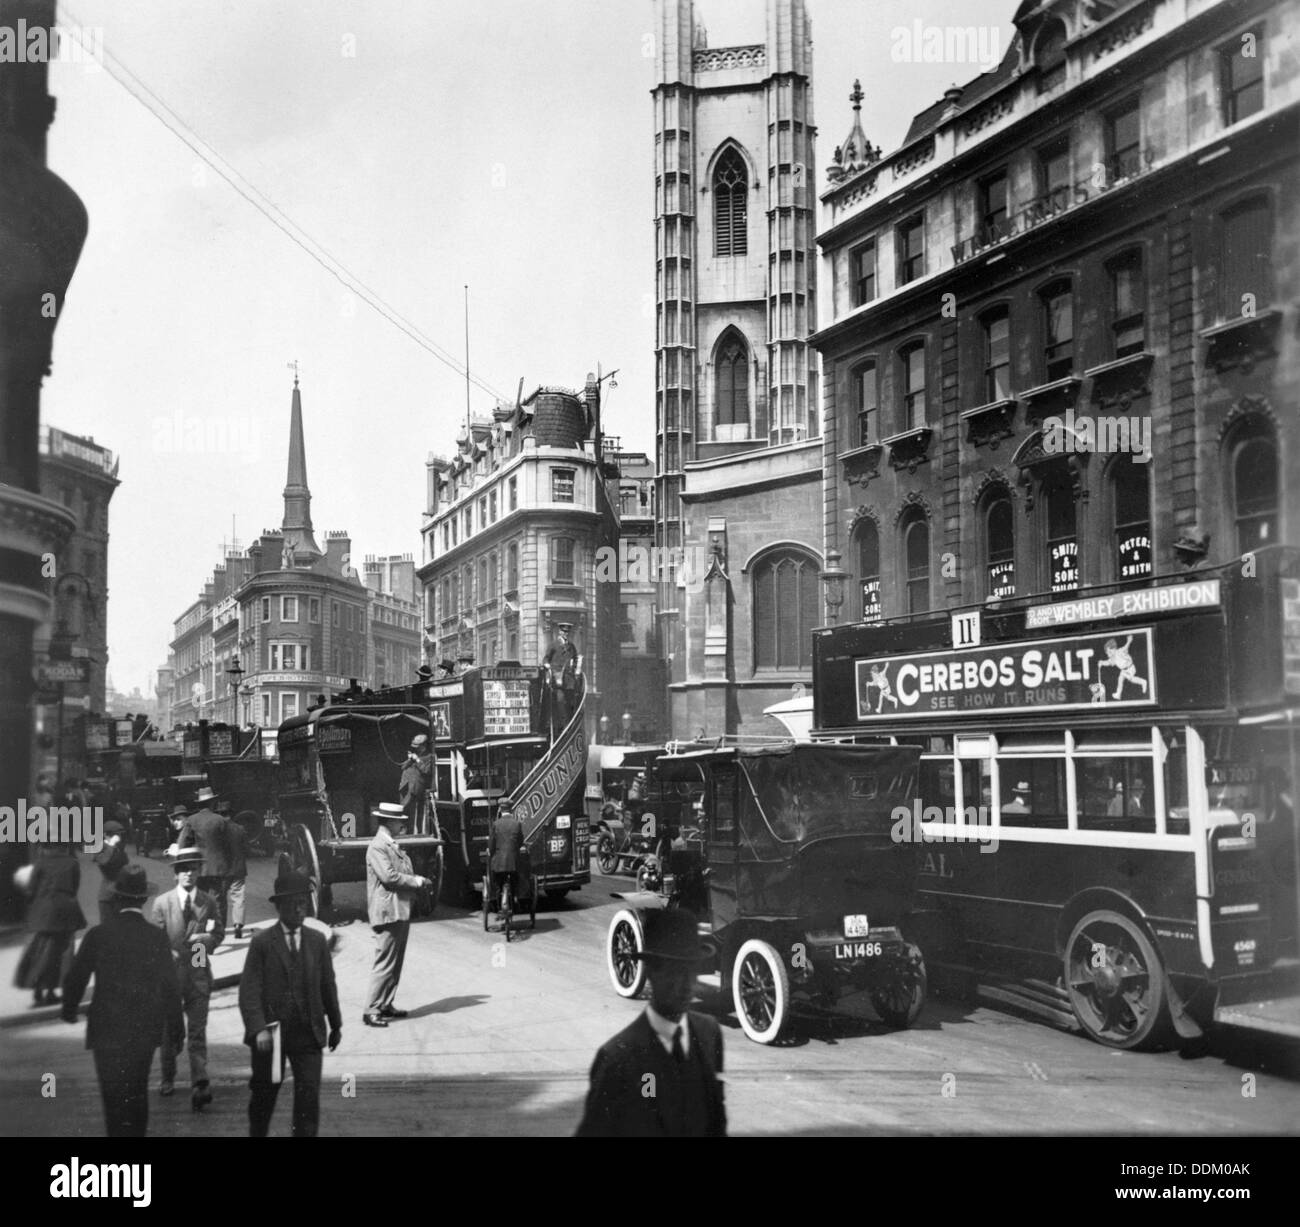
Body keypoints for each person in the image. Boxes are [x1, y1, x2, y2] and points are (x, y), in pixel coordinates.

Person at [576, 908, 725, 1137]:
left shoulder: (708, 1033)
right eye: (674, 972)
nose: (685, 985)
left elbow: (715, 1121)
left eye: (690, 971)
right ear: (652, 972)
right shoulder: (618, 1058)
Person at [61, 865, 184, 1138]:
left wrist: (69, 1009)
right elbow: (170, 987)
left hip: (105, 1030)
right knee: (137, 1092)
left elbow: (76, 977)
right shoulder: (156, 937)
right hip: (143, 1031)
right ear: (143, 899)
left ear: (117, 899)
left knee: (112, 1096)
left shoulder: (98, 935)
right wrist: (176, 1030)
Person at [239, 870, 342, 1138]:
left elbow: (327, 985)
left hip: (308, 1034)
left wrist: (336, 1024)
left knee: (308, 1099)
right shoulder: (262, 943)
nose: (299, 909)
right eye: (293, 904)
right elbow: (249, 990)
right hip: (272, 1037)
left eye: (303, 903)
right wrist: (258, 1028)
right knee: (265, 1095)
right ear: (279, 907)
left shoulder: (316, 941)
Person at [150, 847, 223, 1109]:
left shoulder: (209, 901)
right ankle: (167, 1076)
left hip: (198, 971)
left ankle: (200, 1081)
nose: (188, 874)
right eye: (183, 869)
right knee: (169, 1032)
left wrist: (207, 940)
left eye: (193, 868)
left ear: (200, 871)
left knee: (197, 1032)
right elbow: (154, 941)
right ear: (175, 874)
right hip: (169, 978)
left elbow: (218, 933)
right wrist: (167, 953)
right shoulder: (162, 903)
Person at [363, 802, 433, 1027]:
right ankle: (371, 1009)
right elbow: (389, 877)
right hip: (387, 911)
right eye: (398, 821)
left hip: (399, 910)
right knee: (385, 962)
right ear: (388, 822)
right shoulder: (378, 846)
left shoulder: (391, 844)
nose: (401, 824)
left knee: (396, 962)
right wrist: (417, 881)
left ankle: (386, 1004)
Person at [14, 842, 87, 1008]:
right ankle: (51, 991)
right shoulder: (72, 862)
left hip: (43, 911)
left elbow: (31, 888)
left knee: (40, 949)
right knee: (62, 952)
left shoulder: (41, 862)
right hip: (66, 910)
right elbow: (75, 887)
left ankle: (38, 987)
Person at [178, 786, 233, 925]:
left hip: (199, 867)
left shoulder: (191, 820)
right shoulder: (220, 820)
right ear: (211, 803)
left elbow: (182, 844)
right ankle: (219, 930)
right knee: (219, 900)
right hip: (219, 867)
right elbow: (229, 845)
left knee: (199, 899)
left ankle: (200, 927)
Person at [488, 798, 526, 917]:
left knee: (498, 883)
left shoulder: (496, 824)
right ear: (511, 809)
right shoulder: (517, 824)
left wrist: (492, 851)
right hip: (513, 862)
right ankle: (514, 898)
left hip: (499, 863)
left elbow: (491, 845)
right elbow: (520, 841)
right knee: (515, 881)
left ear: (500, 809)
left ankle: (499, 907)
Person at [541, 623, 582, 728]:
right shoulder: (553, 645)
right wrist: (548, 667)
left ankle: (568, 726)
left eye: (567, 632)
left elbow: (576, 659)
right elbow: (546, 659)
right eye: (564, 631)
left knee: (569, 703)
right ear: (559, 632)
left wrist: (577, 669)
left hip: (569, 681)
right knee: (560, 702)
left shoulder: (571, 646)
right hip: (558, 681)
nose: (566, 634)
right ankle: (564, 728)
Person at [93, 821, 130, 925]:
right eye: (115, 834)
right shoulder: (100, 848)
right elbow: (104, 862)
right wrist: (111, 846)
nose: (118, 838)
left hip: (121, 894)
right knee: (107, 928)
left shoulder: (119, 849)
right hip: (107, 896)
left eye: (119, 835)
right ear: (106, 835)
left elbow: (125, 864)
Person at [398, 733, 434, 827]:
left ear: (423, 746)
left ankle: (412, 830)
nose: (415, 748)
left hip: (416, 788)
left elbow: (426, 770)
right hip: (406, 786)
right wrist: (410, 759)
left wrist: (417, 760)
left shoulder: (429, 757)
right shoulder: (414, 755)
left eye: (417, 746)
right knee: (403, 808)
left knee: (413, 810)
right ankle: (403, 829)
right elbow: (403, 767)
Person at [226, 813, 248, 941]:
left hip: (223, 869)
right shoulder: (240, 829)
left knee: (220, 897)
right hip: (239, 868)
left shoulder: (219, 829)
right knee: (238, 896)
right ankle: (238, 925)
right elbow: (246, 848)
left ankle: (219, 927)